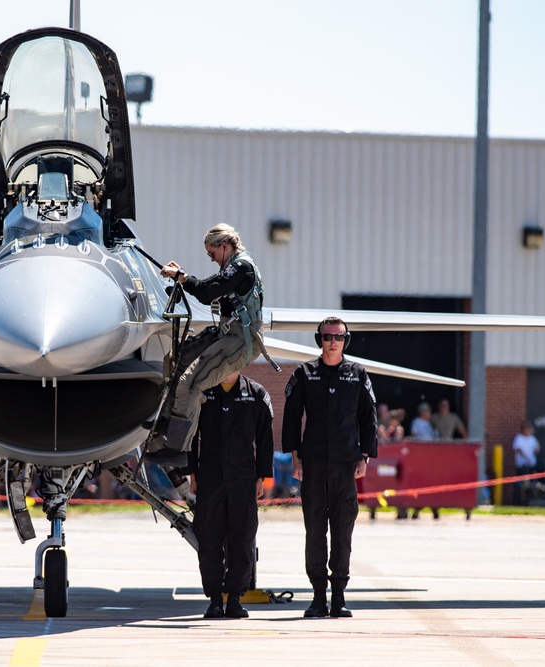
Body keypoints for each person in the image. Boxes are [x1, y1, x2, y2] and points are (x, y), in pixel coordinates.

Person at [145, 223, 268, 468]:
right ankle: (168, 420)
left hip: (241, 340)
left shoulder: (240, 268)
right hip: (225, 333)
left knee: (190, 384)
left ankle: (178, 449)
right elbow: (207, 287)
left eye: (212, 254)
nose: (212, 259)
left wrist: (181, 277)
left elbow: (207, 291)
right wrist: (182, 276)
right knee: (174, 359)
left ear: (225, 246)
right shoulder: (234, 267)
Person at [282, 317, 377, 618]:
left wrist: (365, 457)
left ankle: (339, 596)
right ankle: (318, 597)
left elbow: (368, 417)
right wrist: (295, 459)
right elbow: (291, 416)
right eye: (327, 337)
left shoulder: (358, 374)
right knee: (314, 532)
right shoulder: (304, 373)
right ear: (318, 339)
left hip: (345, 467)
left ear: (346, 340)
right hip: (313, 466)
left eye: (338, 337)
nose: (332, 342)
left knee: (342, 532)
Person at [189, 370, 274, 620]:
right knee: (209, 538)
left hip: (243, 479)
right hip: (210, 478)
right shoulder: (203, 394)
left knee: (242, 538)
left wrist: (262, 476)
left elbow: (265, 439)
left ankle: (235, 598)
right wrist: (192, 472)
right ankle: (215, 599)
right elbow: (191, 435)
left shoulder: (256, 394)